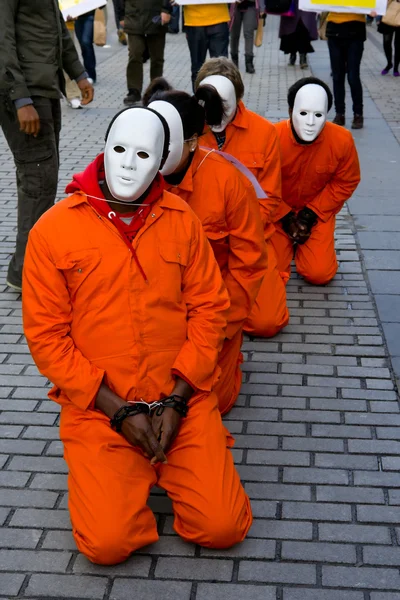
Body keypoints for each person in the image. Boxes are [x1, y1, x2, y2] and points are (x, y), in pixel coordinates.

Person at [22, 106, 252, 565]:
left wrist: (180, 399)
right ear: (104, 148)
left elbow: (211, 309)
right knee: (106, 544)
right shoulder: (53, 229)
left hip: (181, 399)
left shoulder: (182, 220)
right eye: (120, 148)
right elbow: (46, 337)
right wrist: (116, 410)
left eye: (143, 153)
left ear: (163, 159)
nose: (128, 163)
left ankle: (170, 464)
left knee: (223, 527)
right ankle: (121, 478)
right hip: (99, 410)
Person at [143, 78, 268, 415]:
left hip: (214, 313)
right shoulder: (131, 170)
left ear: (194, 141)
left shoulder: (227, 181)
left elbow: (250, 264)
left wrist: (219, 331)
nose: (149, 150)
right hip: (153, 309)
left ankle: (232, 357)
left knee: (214, 402)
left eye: (162, 140)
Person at [0, 0, 94, 292]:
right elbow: (2, 40)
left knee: (40, 178)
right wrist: (20, 99)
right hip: (26, 95)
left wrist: (78, 73)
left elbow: (58, 32)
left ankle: (27, 263)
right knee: (38, 179)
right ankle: (27, 270)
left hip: (44, 90)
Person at [195, 57, 290, 339]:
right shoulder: (188, 131)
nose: (219, 110)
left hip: (251, 239)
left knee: (266, 323)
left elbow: (270, 197)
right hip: (200, 242)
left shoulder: (263, 133)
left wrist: (239, 235)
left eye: (226, 101)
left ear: (239, 98)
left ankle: (272, 274)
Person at [272, 77, 361, 286]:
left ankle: (306, 244)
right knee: (272, 271)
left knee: (319, 273)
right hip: (275, 214)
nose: (310, 122)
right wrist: (285, 218)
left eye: (318, 115)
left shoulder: (342, 140)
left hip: (317, 213)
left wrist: (310, 214)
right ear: (290, 110)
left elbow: (346, 181)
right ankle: (288, 243)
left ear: (327, 115)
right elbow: (259, 185)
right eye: (303, 113)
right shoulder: (271, 138)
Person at [122, 0, 172, 106]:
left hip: (156, 16)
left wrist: (166, 10)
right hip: (133, 16)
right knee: (135, 54)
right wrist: (120, 16)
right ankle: (134, 90)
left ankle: (156, 88)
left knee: (157, 57)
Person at [176, 2, 230, 89]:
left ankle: (220, 98)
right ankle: (200, 98)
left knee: (221, 68)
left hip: (214, 19)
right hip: (197, 21)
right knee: (199, 68)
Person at [326, 12, 366, 129]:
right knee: (337, 76)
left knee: (353, 76)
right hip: (334, 29)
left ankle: (358, 114)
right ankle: (339, 113)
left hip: (355, 30)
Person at [279, 0, 318, 69]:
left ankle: (303, 56)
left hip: (307, 5)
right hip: (291, 4)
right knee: (291, 29)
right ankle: (292, 53)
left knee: (304, 27)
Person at [230, 0, 266, 74]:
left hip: (251, 5)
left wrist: (262, 8)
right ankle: (234, 61)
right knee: (234, 35)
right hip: (235, 6)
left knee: (249, 33)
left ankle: (249, 63)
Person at [75, 9, 99, 84]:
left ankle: (91, 74)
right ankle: (87, 71)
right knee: (83, 46)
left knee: (86, 42)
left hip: (90, 15)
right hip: (77, 16)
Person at [377, 2, 400, 76]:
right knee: (386, 43)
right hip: (389, 13)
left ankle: (396, 68)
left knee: (398, 45)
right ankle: (389, 63)